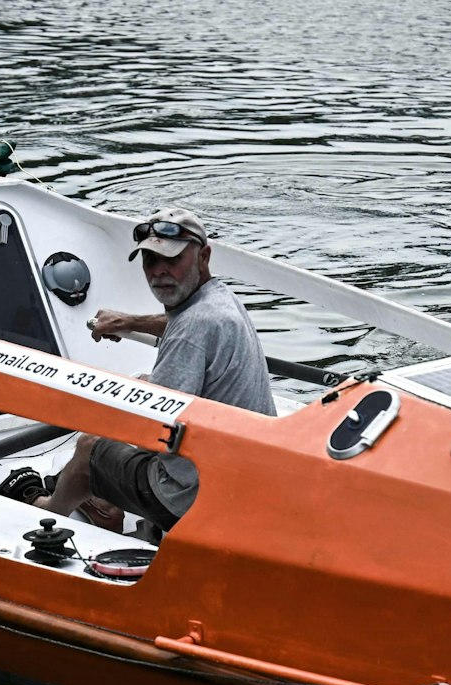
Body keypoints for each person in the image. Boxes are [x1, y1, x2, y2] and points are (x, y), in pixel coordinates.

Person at [36, 208, 275, 533]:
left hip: (193, 495)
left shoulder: (192, 329)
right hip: (246, 473)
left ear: (203, 256)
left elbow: (151, 430)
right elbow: (180, 323)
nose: (160, 272)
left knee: (89, 447)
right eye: (150, 261)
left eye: (172, 260)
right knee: (144, 385)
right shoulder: (219, 299)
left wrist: (105, 405)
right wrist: (130, 322)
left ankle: (54, 511)